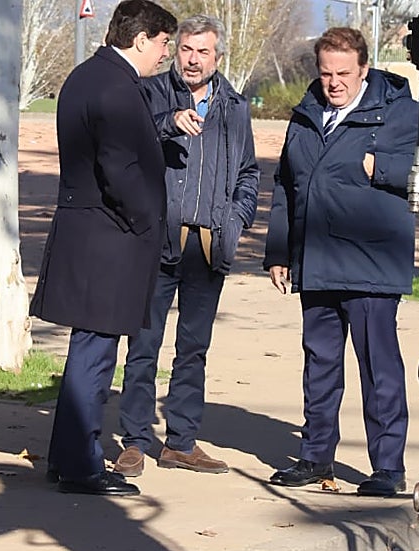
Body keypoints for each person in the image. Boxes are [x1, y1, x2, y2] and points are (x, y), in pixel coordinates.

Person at [29, 0, 177, 496]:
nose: (165, 55)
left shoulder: (87, 76)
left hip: (88, 232)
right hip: (110, 237)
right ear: (141, 39)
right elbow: (120, 167)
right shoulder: (116, 86)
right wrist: (146, 220)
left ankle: (68, 457)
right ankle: (81, 465)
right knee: (95, 355)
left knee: (88, 351)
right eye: (162, 43)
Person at [263, 27, 418, 498]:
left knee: (379, 369)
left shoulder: (399, 111)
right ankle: (315, 457)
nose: (334, 83)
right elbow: (287, 184)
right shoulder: (307, 113)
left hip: (371, 261)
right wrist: (279, 252)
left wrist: (381, 169)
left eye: (344, 74)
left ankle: (388, 468)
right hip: (316, 260)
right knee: (320, 364)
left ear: (364, 69)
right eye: (326, 73)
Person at [114, 14, 260, 478]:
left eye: (203, 52)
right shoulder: (150, 92)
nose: (193, 60)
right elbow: (125, 145)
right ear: (175, 50)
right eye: (186, 50)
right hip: (156, 242)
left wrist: (235, 223)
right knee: (143, 344)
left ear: (218, 57)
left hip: (209, 245)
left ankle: (181, 441)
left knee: (193, 348)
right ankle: (135, 440)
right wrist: (168, 123)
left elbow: (249, 174)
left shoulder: (234, 106)